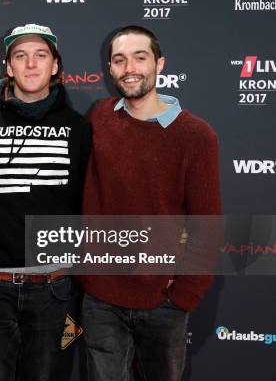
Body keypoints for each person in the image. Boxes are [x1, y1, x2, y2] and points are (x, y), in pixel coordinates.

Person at [78, 25, 221, 381]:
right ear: (110, 69)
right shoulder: (99, 117)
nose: (130, 68)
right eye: (120, 60)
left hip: (164, 304)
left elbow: (207, 223)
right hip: (101, 300)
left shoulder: (196, 134)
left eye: (140, 58)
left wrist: (183, 294)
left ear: (159, 64)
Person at [0, 24, 91, 381]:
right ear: (8, 66)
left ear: (55, 66)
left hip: (52, 287)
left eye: (41, 55)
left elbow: (90, 198)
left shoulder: (78, 127)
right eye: (20, 56)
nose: (31, 64)